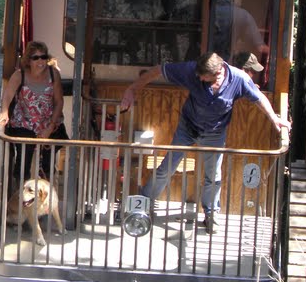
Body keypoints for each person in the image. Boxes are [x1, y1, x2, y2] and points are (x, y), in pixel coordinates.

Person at [120, 52, 290, 234]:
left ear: (218, 73)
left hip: (215, 133)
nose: (198, 78)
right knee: (167, 167)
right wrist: (132, 89)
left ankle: (211, 214)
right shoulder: (192, 70)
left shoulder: (238, 79)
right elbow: (158, 70)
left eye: (203, 77)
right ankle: (143, 204)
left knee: (213, 175)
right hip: (187, 128)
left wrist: (274, 118)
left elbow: (259, 98)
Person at [0, 41, 67, 181]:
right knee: (23, 159)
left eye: (43, 57)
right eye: (36, 58)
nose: (40, 61)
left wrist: (50, 126)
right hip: (24, 122)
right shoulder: (19, 75)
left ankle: (45, 194)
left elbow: (59, 101)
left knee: (48, 161)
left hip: (48, 121)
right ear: (28, 60)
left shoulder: (53, 74)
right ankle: (20, 192)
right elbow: (8, 95)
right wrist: (4, 112)